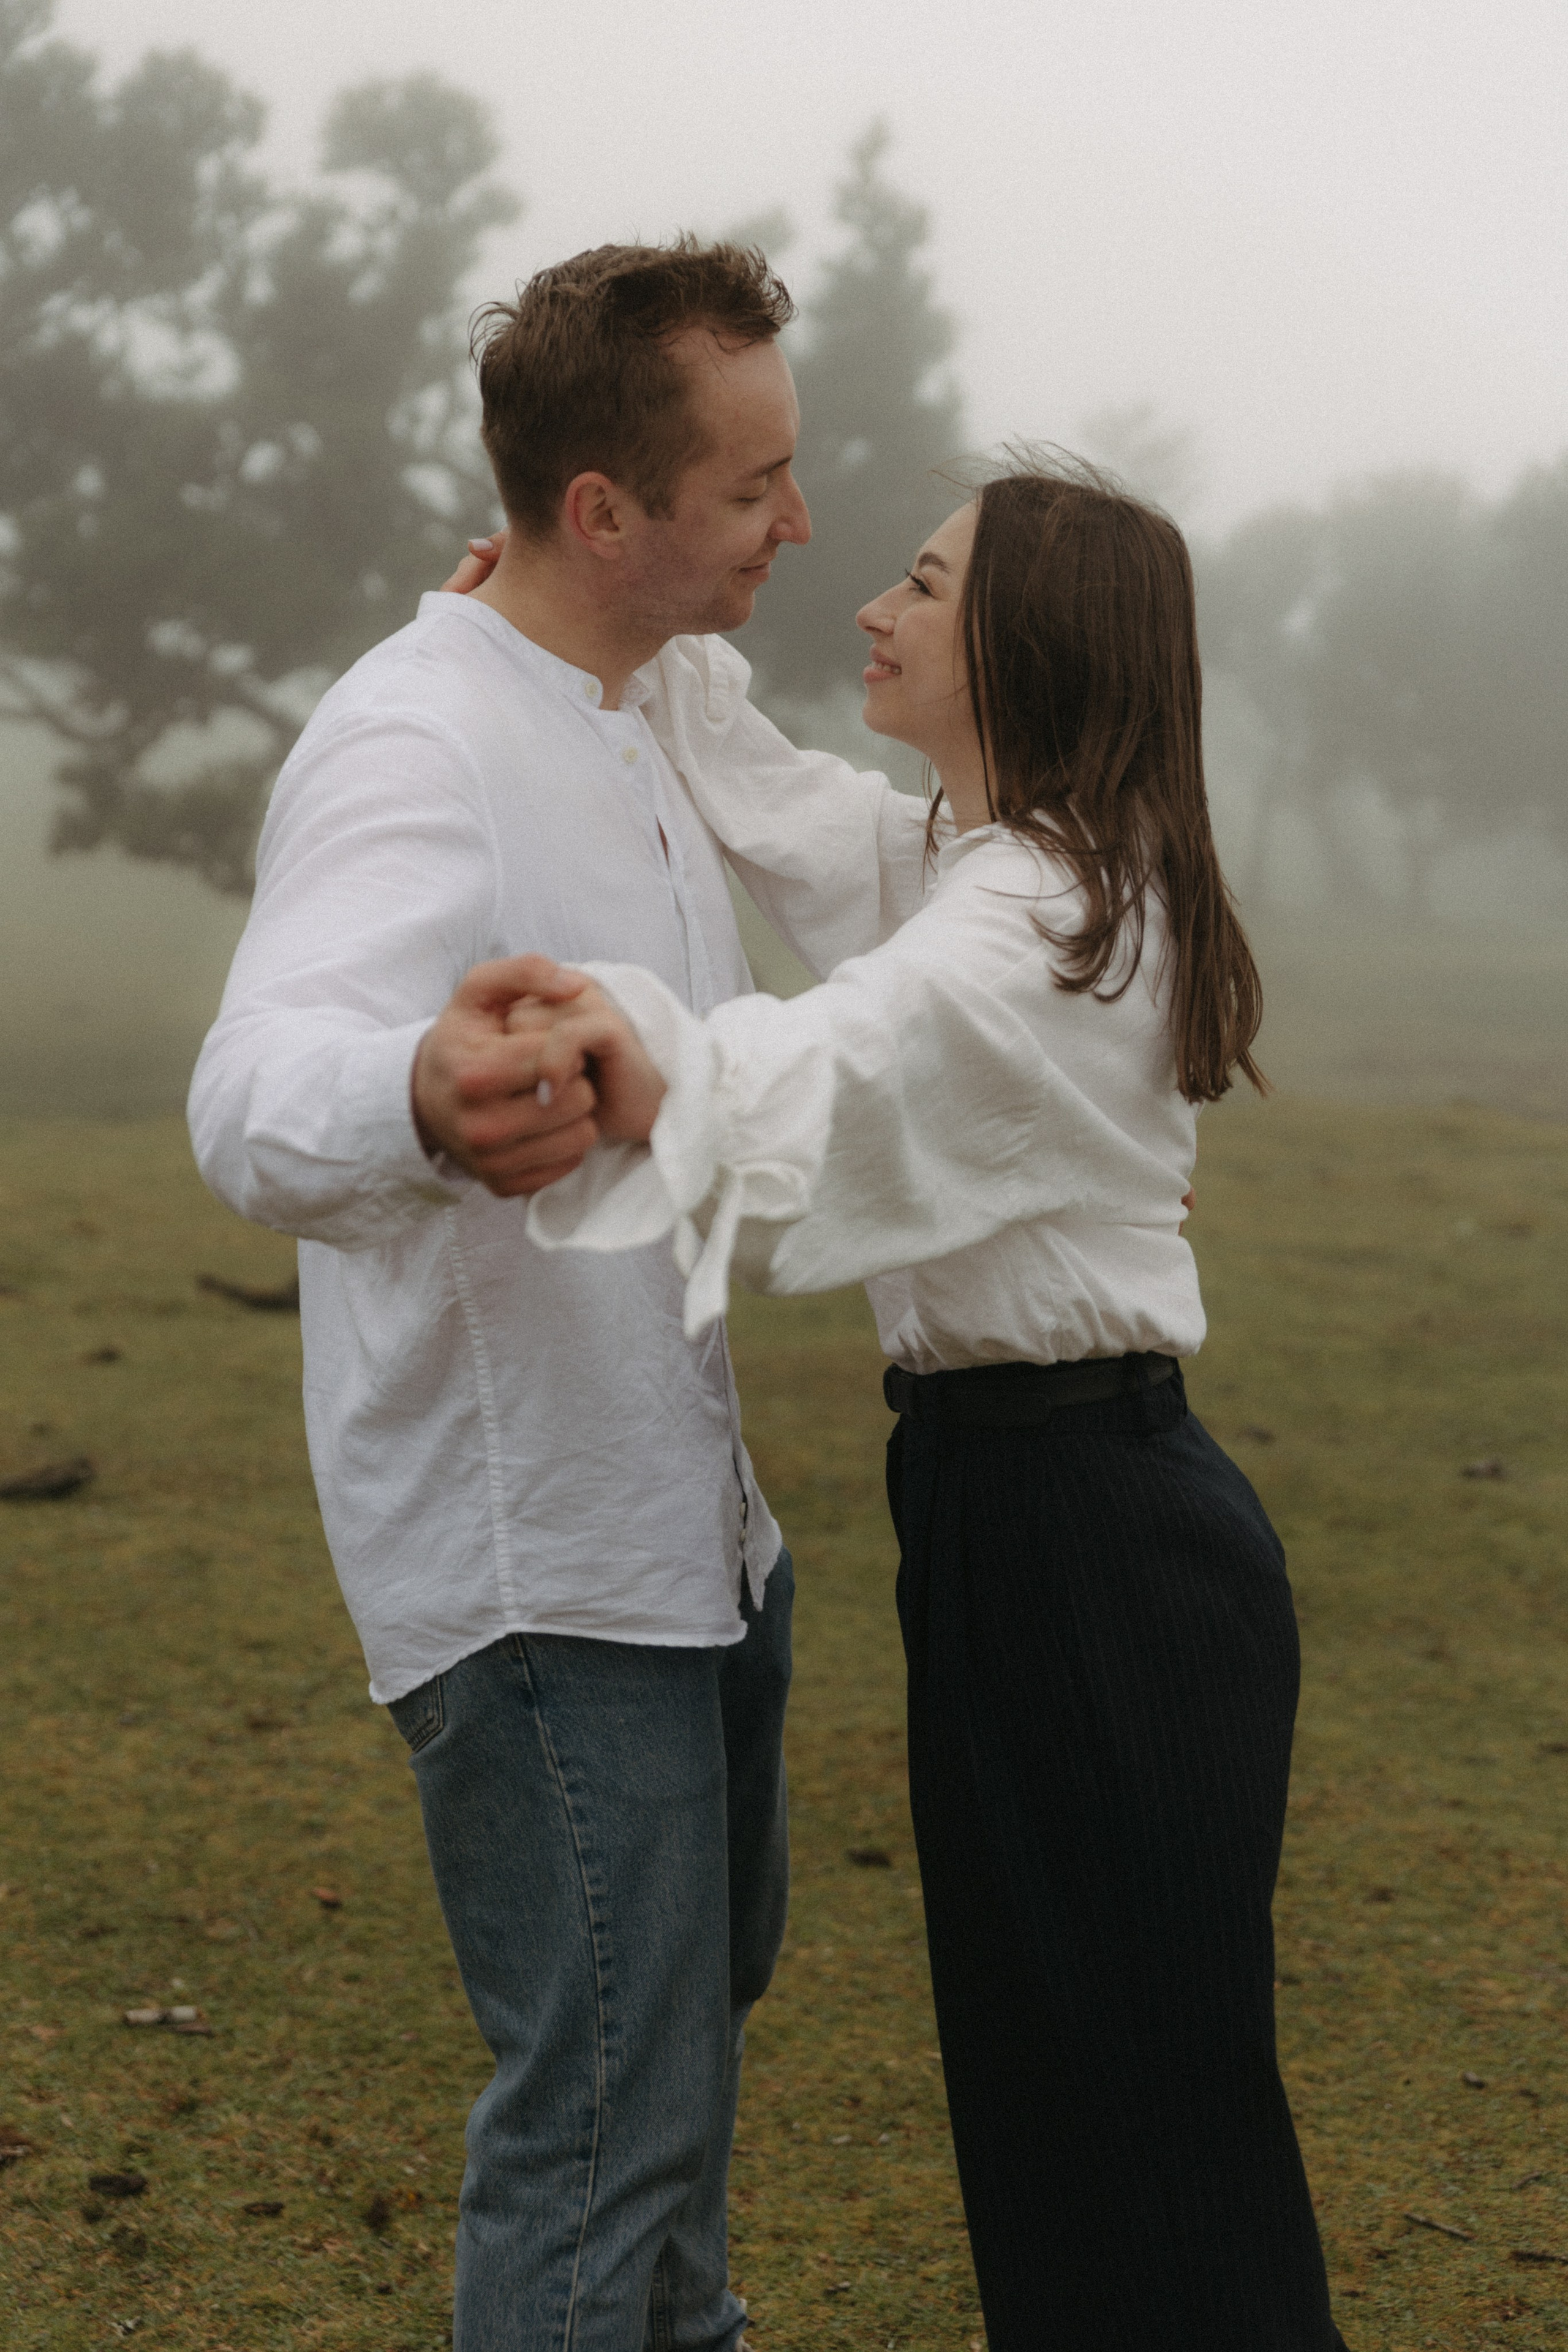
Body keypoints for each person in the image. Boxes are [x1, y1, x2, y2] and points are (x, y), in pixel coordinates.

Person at [484, 466, 1354, 2352]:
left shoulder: (1042, 919)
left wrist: (630, 1060)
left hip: (1094, 1546)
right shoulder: (1007, 856)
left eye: (926, 581)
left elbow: (842, 1057)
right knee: (1077, 2108)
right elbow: (806, 826)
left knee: (1141, 2137)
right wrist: (623, 605)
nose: (875, 602)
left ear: (1025, 639)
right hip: (1027, 1515)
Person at [187, 236, 941, 2352]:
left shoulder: (629, 694)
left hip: (691, 1528)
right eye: (753, 489)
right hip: (537, 1574)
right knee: (603, 2131)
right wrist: (419, 1095)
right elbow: (250, 1092)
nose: (803, 524)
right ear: (601, 511)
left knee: (674, 2076)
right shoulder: (416, 741)